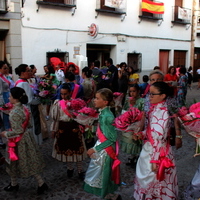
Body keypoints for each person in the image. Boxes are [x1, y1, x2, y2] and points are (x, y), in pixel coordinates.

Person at [133, 82, 178, 199]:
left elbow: (159, 138)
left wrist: (155, 161)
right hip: (151, 150)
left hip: (157, 154)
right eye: (149, 94)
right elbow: (152, 133)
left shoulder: (162, 112)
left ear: (163, 96)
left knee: (155, 181)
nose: (150, 97)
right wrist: (141, 135)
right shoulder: (154, 110)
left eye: (153, 94)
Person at [0, 87, 47, 195]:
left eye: (11, 96)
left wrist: (5, 133)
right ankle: (39, 183)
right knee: (28, 161)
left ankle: (15, 184)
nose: (9, 97)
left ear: (15, 98)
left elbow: (18, 130)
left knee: (14, 161)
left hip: (18, 141)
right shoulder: (25, 108)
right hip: (27, 137)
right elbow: (28, 125)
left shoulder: (14, 112)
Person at [84, 88, 121, 199]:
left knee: (104, 174)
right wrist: (93, 128)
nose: (94, 100)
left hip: (105, 149)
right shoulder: (103, 113)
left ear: (105, 102)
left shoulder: (108, 117)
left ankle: (106, 195)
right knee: (102, 173)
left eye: (97, 98)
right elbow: (104, 131)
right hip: (102, 145)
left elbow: (112, 138)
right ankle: (112, 196)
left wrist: (94, 149)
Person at [50, 83, 87, 180]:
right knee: (66, 149)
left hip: (74, 128)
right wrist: (54, 130)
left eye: (65, 94)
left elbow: (81, 116)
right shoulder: (58, 104)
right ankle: (69, 168)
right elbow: (56, 119)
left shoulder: (76, 103)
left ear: (70, 92)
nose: (63, 96)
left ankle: (80, 170)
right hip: (63, 128)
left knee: (78, 149)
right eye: (62, 94)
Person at [15, 64, 42, 145]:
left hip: (23, 108)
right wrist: (40, 99)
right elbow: (29, 100)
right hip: (28, 109)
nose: (30, 72)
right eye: (28, 71)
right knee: (32, 127)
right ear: (22, 72)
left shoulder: (19, 81)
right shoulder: (24, 84)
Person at [121, 84, 144, 167]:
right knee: (130, 140)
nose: (132, 93)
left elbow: (142, 113)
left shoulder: (141, 101)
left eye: (134, 91)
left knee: (136, 140)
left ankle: (137, 157)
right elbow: (124, 110)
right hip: (129, 124)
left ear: (138, 91)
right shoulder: (128, 100)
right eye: (130, 91)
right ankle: (132, 157)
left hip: (138, 124)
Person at [0, 61, 11, 130]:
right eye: (4, 68)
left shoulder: (3, 76)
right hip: (3, 98)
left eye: (7, 68)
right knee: (4, 117)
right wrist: (2, 103)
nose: (6, 70)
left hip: (7, 96)